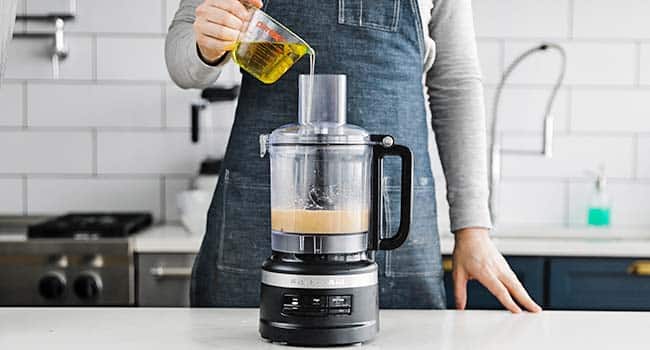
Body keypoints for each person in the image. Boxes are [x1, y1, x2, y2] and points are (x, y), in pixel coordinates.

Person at [166, 0, 541, 313]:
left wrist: (472, 228)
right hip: (259, 221)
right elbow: (182, 53)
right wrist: (206, 45)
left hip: (390, 222)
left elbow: (455, 82)